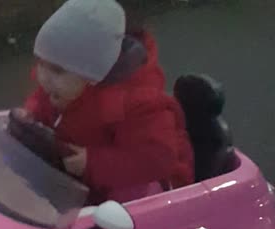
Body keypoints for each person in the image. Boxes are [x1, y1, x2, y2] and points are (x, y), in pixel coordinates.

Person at [13, 0, 194, 204]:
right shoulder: (63, 82)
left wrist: (91, 163)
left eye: (56, 69)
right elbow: (41, 100)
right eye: (41, 63)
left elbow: (158, 160)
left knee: (130, 194)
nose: (43, 77)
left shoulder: (140, 104)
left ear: (91, 74)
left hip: (149, 180)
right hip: (80, 166)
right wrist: (31, 115)